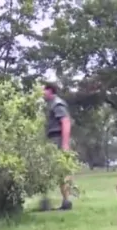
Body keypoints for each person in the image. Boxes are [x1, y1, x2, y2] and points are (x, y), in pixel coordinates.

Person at [39, 82, 74, 211]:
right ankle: (48, 201)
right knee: (50, 170)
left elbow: (65, 122)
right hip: (52, 139)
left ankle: (66, 201)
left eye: (43, 90)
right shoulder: (49, 104)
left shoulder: (57, 104)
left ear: (50, 91)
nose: (42, 92)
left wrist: (64, 144)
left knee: (61, 171)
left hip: (58, 139)